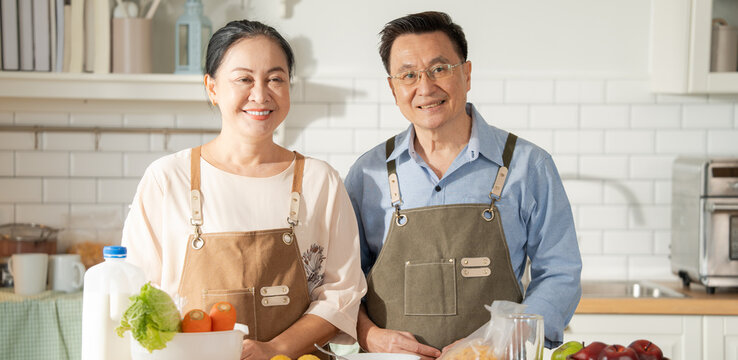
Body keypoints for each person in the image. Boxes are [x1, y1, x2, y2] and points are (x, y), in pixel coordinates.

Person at [121, 19, 366, 360]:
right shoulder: (167, 179)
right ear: (212, 88)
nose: (261, 94)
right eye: (244, 79)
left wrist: (274, 349)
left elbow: (342, 294)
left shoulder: (319, 181)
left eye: (276, 79)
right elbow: (138, 296)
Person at [344, 11, 582, 358]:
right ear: (393, 89)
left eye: (439, 69)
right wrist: (369, 335)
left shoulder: (529, 166)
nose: (425, 87)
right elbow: (341, 283)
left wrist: (502, 342)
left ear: (466, 74)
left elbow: (560, 273)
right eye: (408, 75)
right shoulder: (368, 175)